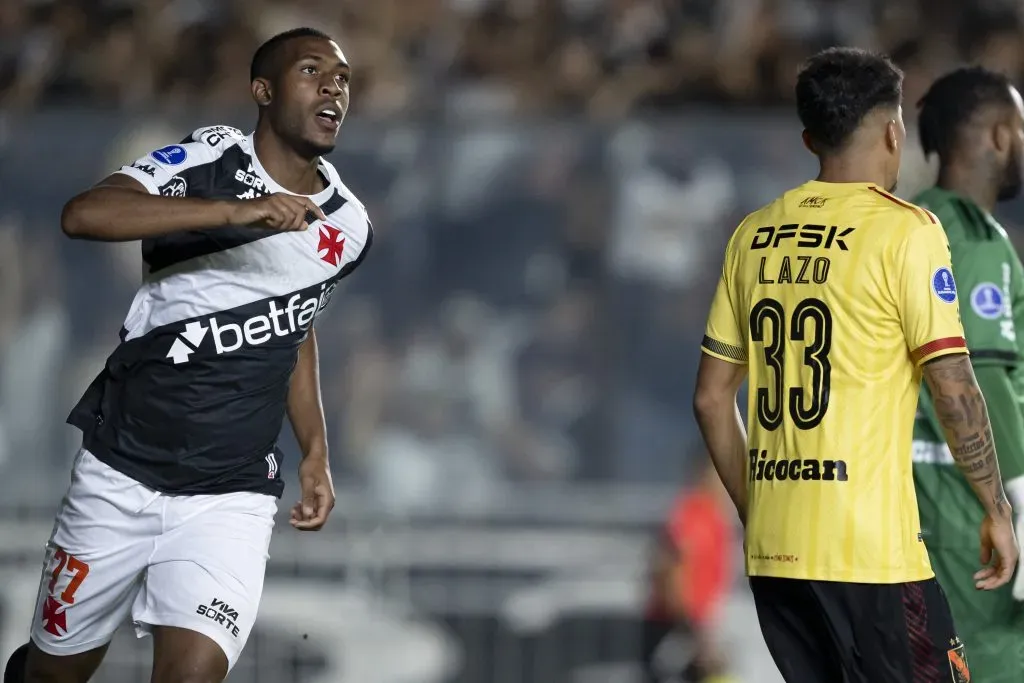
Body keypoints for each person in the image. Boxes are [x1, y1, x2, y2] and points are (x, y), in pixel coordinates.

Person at [2, 27, 372, 683]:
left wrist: (314, 450)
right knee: (51, 676)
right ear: (263, 90)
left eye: (342, 78)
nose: (333, 87)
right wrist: (232, 213)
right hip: (121, 473)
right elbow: (85, 214)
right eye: (312, 70)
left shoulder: (347, 223)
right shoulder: (203, 159)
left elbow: (295, 326)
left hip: (229, 494)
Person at [693, 46, 1019, 683]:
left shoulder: (753, 234)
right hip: (871, 556)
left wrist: (758, 508)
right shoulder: (907, 232)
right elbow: (954, 387)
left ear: (811, 137)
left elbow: (710, 399)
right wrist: (998, 512)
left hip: (777, 557)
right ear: (895, 132)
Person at [911, 65, 1024, 683]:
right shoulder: (974, 240)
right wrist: (1018, 499)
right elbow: (985, 380)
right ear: (999, 137)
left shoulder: (912, 224)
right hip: (970, 510)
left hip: (926, 501)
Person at [642, 461, 737, 683]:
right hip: (675, 623)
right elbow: (670, 565)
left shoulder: (718, 517)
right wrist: (689, 624)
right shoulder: (693, 513)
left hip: (697, 624)